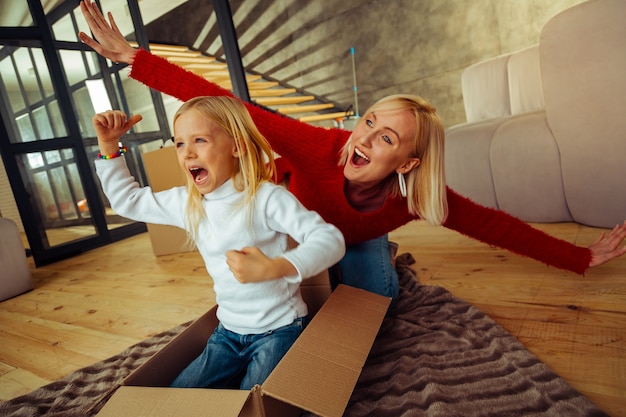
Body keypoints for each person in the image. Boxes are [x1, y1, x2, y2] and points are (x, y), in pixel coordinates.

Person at [80, 1, 626, 302]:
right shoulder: (322, 146)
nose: (362, 140)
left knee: (372, 302)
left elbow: (497, 227)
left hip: (351, 234)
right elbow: (233, 105)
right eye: (369, 124)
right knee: (304, 293)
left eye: (385, 139)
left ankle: (380, 255)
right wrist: (134, 58)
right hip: (289, 225)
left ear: (408, 164)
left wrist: (579, 256)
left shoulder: (416, 197)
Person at [92, 96, 345, 390]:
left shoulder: (266, 198)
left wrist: (277, 267)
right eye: (179, 144)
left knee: (251, 402)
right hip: (227, 333)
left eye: (199, 140)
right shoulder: (187, 203)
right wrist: (110, 147)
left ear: (236, 146)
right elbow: (127, 201)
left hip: (280, 330)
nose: (187, 154)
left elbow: (330, 240)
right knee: (177, 398)